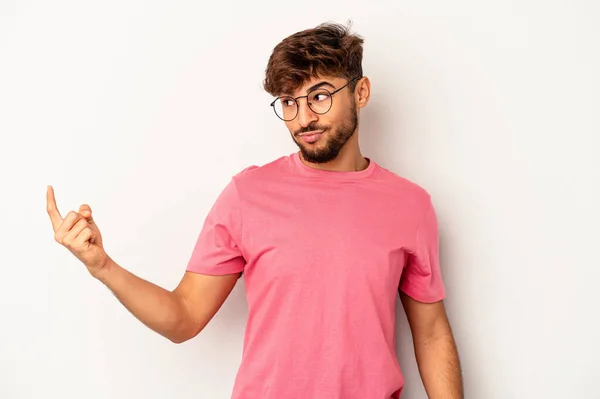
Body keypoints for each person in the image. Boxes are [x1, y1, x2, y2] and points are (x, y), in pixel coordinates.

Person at [46, 22, 463, 399]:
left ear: (360, 92)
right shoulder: (248, 195)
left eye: (319, 96)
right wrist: (103, 266)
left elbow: (430, 333)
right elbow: (184, 317)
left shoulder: (410, 205)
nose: (304, 118)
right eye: (289, 102)